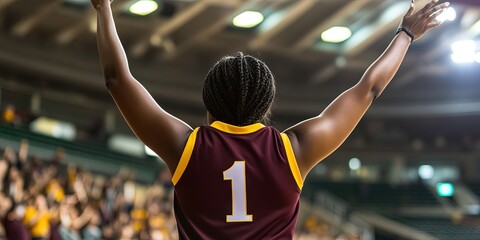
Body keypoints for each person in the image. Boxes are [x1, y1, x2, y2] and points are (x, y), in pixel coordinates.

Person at [90, 0, 449, 238]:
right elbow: (367, 89)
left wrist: (103, 8)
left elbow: (117, 79)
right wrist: (406, 34)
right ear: (267, 103)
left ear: (208, 101)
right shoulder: (293, 150)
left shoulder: (186, 147)